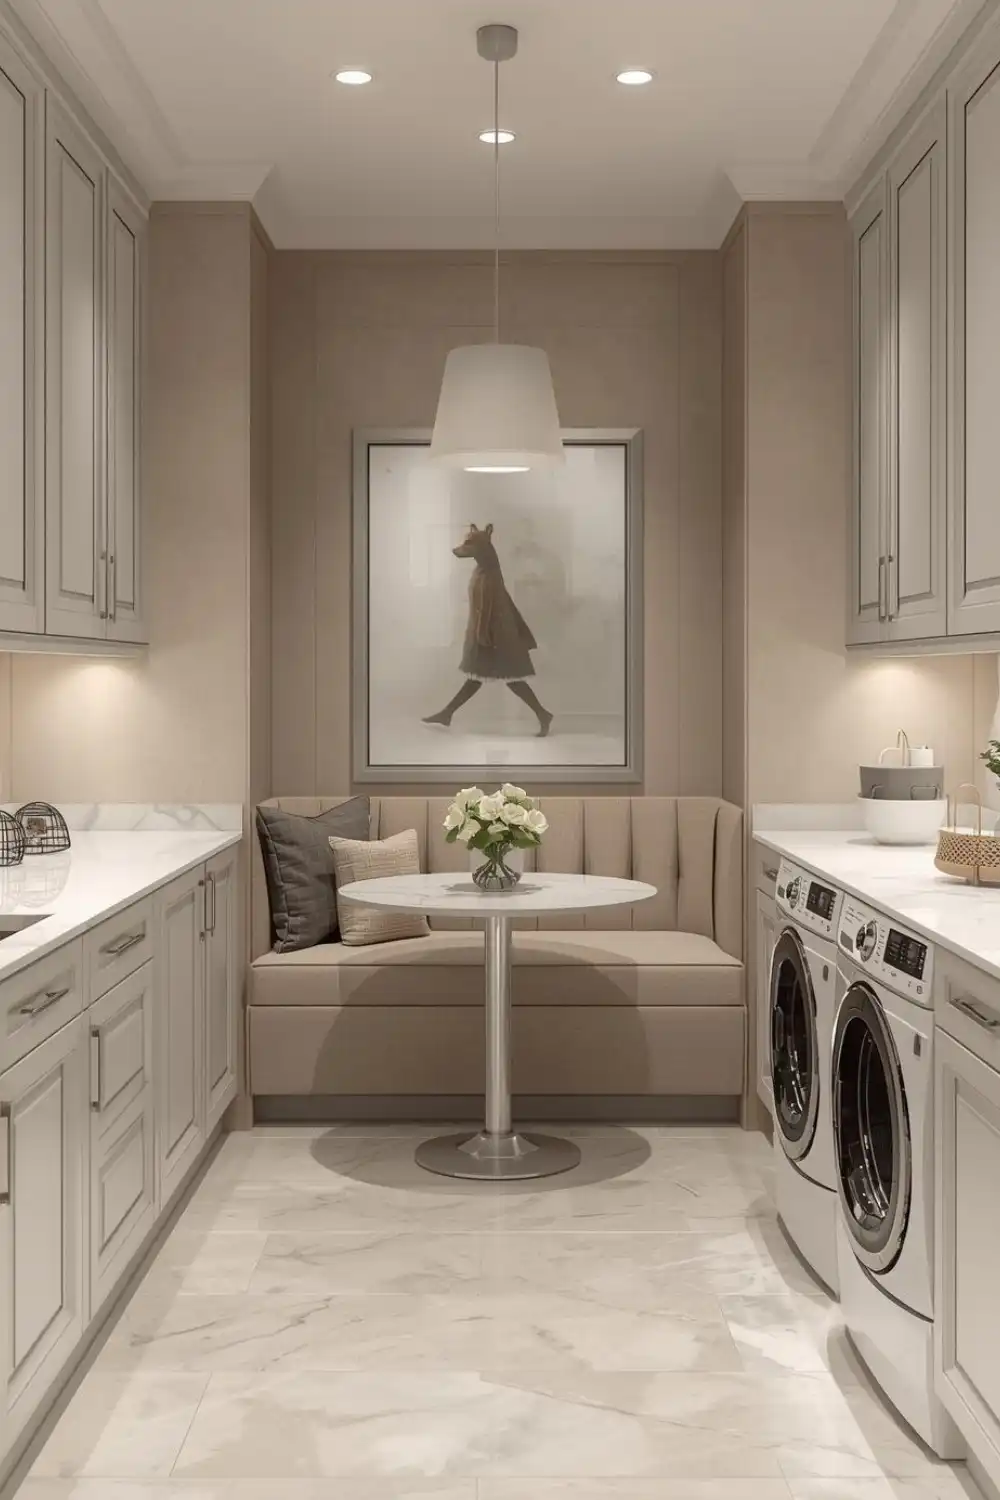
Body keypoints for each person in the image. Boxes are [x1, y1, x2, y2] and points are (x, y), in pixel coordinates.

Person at [423, 522, 553, 737]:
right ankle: (447, 713)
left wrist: (482, 634)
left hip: (494, 637)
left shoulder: (489, 575)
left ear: (481, 549)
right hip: (490, 634)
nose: (462, 550)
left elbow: (487, 607)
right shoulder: (484, 571)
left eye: (469, 545)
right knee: (480, 677)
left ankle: (542, 713)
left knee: (505, 678)